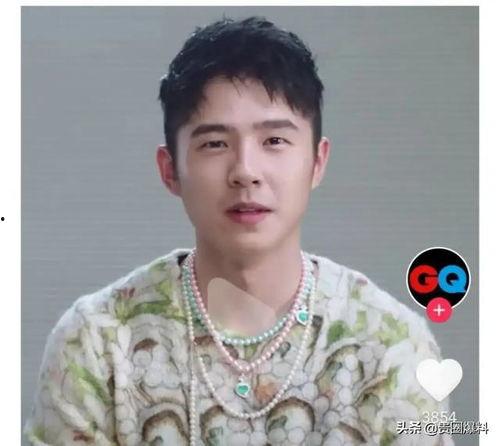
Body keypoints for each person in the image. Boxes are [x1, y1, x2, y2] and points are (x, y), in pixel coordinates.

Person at [25, 16, 453, 446]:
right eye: (215, 143)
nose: (246, 171)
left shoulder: (391, 346)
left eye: (274, 141)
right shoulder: (98, 343)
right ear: (170, 170)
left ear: (317, 162)